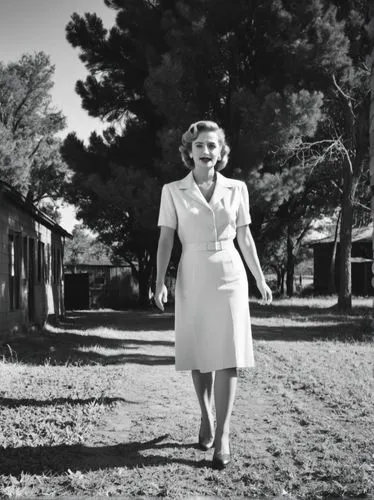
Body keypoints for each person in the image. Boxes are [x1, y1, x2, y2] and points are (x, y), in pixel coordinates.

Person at [154, 120, 272, 469]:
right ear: (189, 152)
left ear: (221, 153)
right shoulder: (172, 190)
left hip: (230, 274)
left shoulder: (237, 188)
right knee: (199, 354)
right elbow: (165, 240)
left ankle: (223, 435)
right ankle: (206, 415)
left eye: (213, 145)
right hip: (192, 273)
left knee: (227, 354)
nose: (207, 150)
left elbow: (245, 238)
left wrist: (260, 279)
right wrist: (160, 281)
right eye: (200, 145)